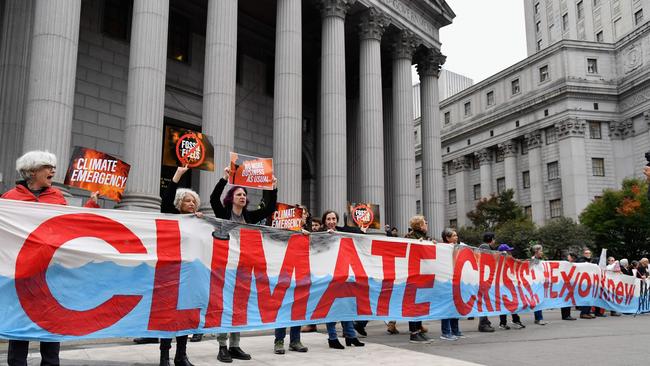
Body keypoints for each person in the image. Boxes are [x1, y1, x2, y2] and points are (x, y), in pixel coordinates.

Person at [4, 150, 99, 366]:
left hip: (52, 272)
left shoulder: (57, 197)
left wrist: (91, 206)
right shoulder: (10, 198)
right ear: (32, 171)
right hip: (21, 273)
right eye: (48, 167)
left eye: (53, 167)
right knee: (20, 322)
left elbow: (70, 225)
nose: (53, 171)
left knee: (52, 320)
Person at [210, 166, 277, 363]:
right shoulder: (223, 213)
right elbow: (214, 198)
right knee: (225, 306)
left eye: (244, 195)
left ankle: (235, 345)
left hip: (243, 268)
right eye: (239, 194)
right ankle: (222, 347)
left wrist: (273, 188)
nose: (242, 197)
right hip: (224, 266)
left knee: (238, 306)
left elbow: (270, 209)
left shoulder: (249, 217)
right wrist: (224, 178)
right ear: (232, 197)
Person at [154, 165, 203, 366]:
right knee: (168, 315)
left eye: (194, 201)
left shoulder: (198, 222)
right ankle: (164, 356)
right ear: (178, 203)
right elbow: (165, 201)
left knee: (184, 315)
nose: (191, 203)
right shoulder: (170, 216)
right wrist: (177, 177)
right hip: (170, 272)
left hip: (190, 275)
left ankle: (181, 356)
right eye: (187, 200)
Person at [320, 210, 365, 349]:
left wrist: (362, 230)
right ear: (324, 221)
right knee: (332, 307)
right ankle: (332, 338)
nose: (331, 221)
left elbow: (357, 233)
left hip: (344, 275)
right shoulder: (320, 235)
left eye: (334, 218)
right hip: (329, 276)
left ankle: (351, 336)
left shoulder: (341, 231)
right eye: (328, 219)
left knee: (347, 305)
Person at [273, 205, 309, 355]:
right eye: (299, 213)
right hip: (285, 274)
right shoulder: (283, 232)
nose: (302, 216)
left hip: (302, 275)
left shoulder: (309, 233)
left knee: (298, 309)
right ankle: (279, 340)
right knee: (283, 308)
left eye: (304, 214)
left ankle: (295, 340)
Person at [404, 215, 434, 343]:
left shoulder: (426, 238)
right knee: (414, 305)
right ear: (420, 225)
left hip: (423, 276)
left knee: (420, 304)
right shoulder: (410, 237)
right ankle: (413, 333)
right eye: (425, 223)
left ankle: (419, 331)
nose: (427, 225)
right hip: (413, 276)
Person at [440, 228, 465, 339]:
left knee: (455, 306)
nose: (456, 237)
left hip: (456, 281)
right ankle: (446, 332)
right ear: (447, 238)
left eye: (456, 235)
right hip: (446, 282)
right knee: (447, 307)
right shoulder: (441, 249)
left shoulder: (458, 247)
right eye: (454, 236)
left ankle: (455, 330)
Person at [497, 244, 527, 330]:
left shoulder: (510, 261)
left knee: (513, 303)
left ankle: (514, 320)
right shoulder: (499, 262)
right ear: (504, 253)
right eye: (509, 251)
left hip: (510, 286)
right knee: (505, 304)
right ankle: (504, 323)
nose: (510, 253)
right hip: (502, 286)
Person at [477, 232, 499, 332]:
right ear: (491, 239)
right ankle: (483, 324)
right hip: (483, 278)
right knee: (484, 301)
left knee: (485, 301)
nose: (495, 241)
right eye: (494, 239)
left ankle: (485, 322)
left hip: (484, 277)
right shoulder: (485, 247)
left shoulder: (485, 247)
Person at [530, 244, 547, 325]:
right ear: (536, 251)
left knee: (539, 300)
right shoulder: (534, 260)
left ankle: (539, 318)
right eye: (540, 251)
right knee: (537, 300)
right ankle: (539, 318)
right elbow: (533, 271)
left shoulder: (538, 260)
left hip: (539, 283)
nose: (542, 252)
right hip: (535, 284)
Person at [561, 253, 577, 321]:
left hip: (570, 284)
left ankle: (567, 315)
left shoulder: (574, 265)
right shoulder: (564, 264)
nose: (572, 258)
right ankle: (566, 315)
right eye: (571, 257)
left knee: (568, 299)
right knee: (566, 299)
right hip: (564, 284)